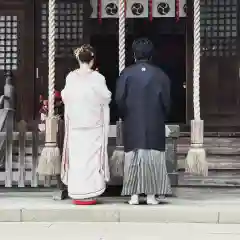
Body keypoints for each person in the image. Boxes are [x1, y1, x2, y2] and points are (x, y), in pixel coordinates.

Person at [115, 38, 172, 205]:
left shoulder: (126, 73)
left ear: (134, 54)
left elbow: (119, 99)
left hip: (133, 122)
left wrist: (125, 114)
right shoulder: (160, 74)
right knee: (153, 157)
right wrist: (163, 115)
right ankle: (151, 195)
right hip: (155, 122)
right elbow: (167, 101)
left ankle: (133, 195)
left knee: (134, 156)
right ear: (151, 55)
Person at [61, 44, 111, 205]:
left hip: (76, 124)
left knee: (77, 160)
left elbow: (65, 97)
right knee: (92, 159)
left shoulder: (71, 77)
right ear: (92, 60)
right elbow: (106, 97)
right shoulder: (98, 78)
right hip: (93, 124)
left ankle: (77, 191)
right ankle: (91, 192)